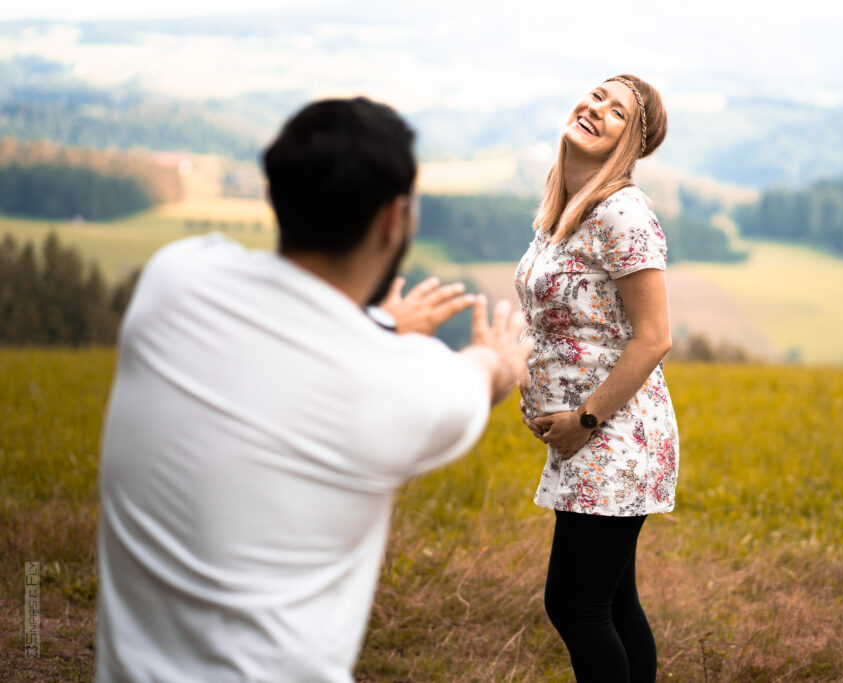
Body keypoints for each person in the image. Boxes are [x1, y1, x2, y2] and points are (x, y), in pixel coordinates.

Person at [94, 97, 531, 682]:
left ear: (277, 193)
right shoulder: (406, 389)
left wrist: (379, 327)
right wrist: (498, 356)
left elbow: (276, 341)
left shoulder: (173, 280)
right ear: (393, 220)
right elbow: (488, 372)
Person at [515, 75, 677, 682]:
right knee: (610, 602)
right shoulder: (566, 211)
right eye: (595, 96)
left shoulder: (622, 211)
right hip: (592, 437)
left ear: (631, 143)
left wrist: (585, 421)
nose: (595, 109)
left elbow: (654, 336)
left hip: (613, 436)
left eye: (616, 112)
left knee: (576, 606)